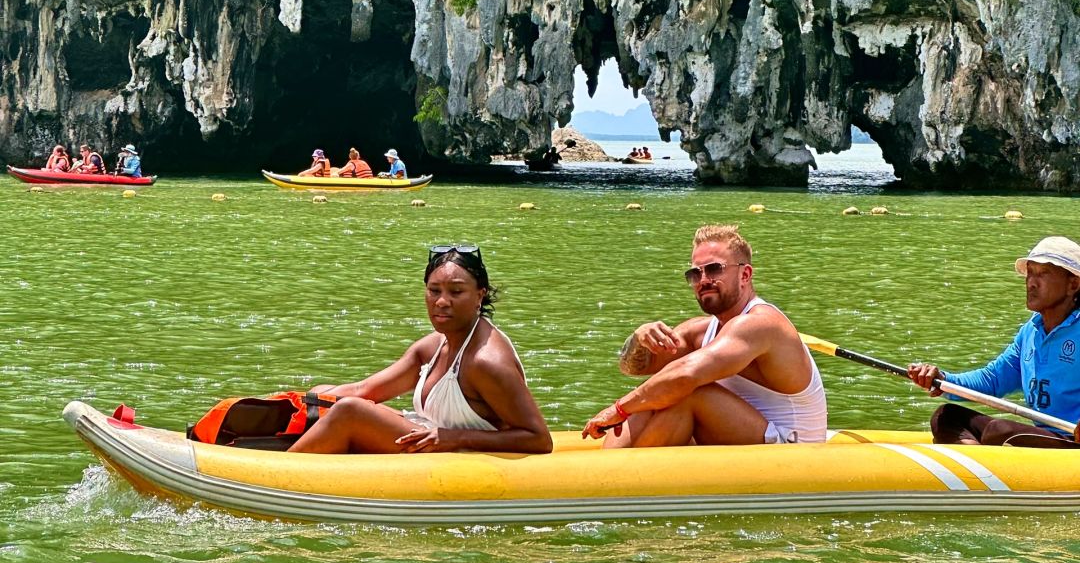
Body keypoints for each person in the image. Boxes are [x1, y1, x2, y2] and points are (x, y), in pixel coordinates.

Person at [289, 246, 552, 455]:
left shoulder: (486, 361)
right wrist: (301, 399)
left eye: (456, 292)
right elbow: (364, 390)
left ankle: (281, 471)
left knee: (350, 412)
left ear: (480, 295)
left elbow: (538, 439)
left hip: (460, 454)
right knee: (325, 394)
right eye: (434, 290)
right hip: (430, 437)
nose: (441, 302)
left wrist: (454, 438)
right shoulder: (432, 346)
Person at [581, 223, 828, 447]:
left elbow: (686, 375)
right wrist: (638, 339)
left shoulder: (760, 324)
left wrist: (618, 409)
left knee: (687, 392)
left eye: (714, 269)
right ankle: (605, 477)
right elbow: (632, 368)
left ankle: (624, 482)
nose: (703, 280)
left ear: (745, 275)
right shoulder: (699, 331)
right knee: (654, 393)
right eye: (695, 274)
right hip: (744, 440)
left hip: (795, 450)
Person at [908, 236, 1080, 447]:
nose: (1031, 283)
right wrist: (942, 380)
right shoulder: (1030, 332)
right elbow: (993, 380)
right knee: (945, 416)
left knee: (1000, 432)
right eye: (1030, 273)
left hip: (1073, 440)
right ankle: (979, 468)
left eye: (1043, 273)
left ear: (1073, 284)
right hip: (1044, 437)